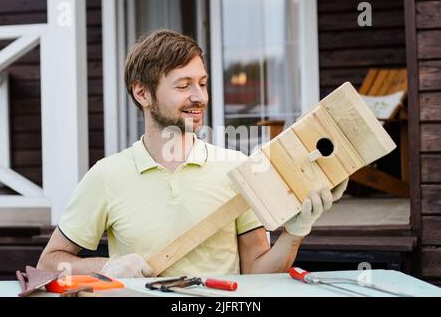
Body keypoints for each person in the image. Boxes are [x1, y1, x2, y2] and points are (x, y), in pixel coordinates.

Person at [37, 29, 348, 278]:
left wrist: (296, 231)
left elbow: (257, 270)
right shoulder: (106, 175)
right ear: (142, 93)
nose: (199, 97)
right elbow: (49, 263)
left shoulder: (237, 168)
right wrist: (105, 267)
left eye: (202, 83)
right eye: (184, 86)